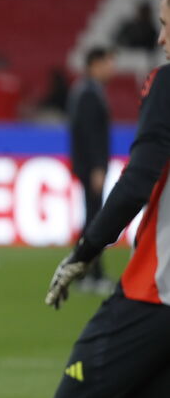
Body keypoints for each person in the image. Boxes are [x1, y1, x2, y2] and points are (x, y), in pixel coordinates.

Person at [44, 0, 170, 398]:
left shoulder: (168, 81)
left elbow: (140, 176)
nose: (162, 39)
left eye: (168, 25)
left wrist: (85, 251)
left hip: (157, 291)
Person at [68, 47, 115, 295]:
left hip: (89, 166)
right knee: (95, 222)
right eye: (108, 62)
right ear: (94, 64)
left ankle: (85, 273)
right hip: (91, 168)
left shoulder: (86, 91)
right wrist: (97, 166)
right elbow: (91, 135)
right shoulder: (89, 94)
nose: (112, 68)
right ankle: (89, 274)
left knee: (93, 220)